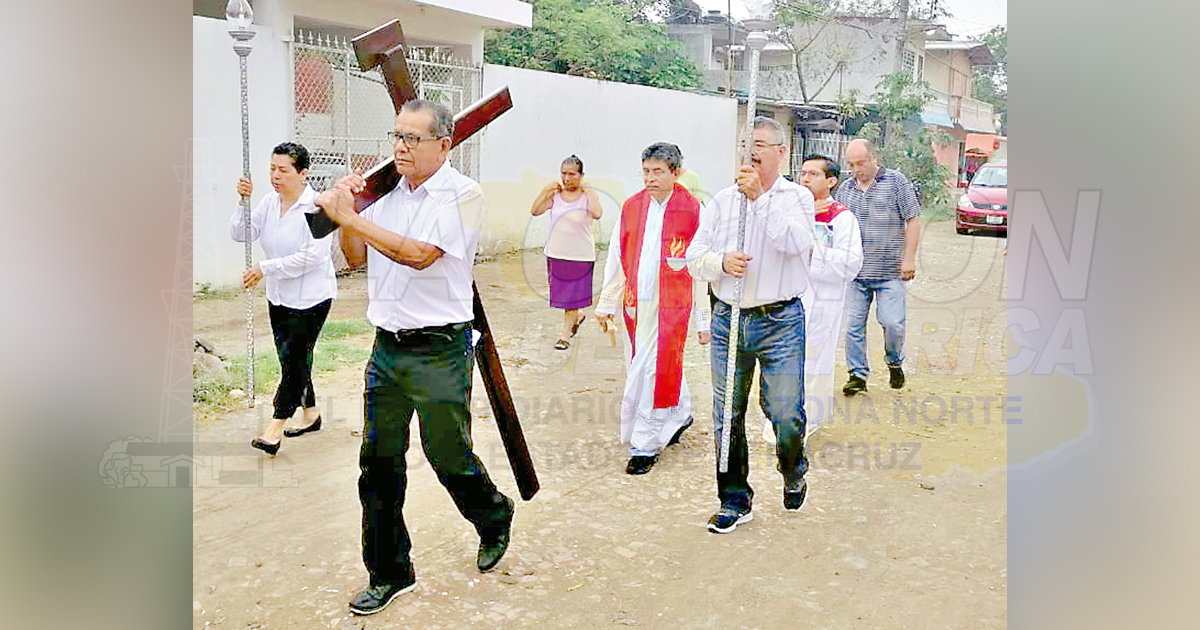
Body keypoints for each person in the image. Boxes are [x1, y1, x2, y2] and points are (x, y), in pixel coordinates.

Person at [315, 100, 514, 616]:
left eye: (413, 139)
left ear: (444, 144)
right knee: (377, 463)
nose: (400, 147)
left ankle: (492, 515)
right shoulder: (385, 192)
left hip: (440, 348)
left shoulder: (464, 195)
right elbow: (357, 259)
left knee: (448, 454)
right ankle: (389, 572)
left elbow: (420, 255)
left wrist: (350, 216)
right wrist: (349, 215)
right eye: (396, 136)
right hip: (387, 348)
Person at [686, 117, 816, 534]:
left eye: (759, 144)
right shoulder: (721, 201)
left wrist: (760, 201)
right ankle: (734, 499)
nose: (750, 151)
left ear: (782, 152)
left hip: (780, 320)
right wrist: (720, 263)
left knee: (784, 413)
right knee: (727, 414)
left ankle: (792, 465)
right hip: (730, 319)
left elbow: (796, 245)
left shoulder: (797, 198)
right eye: (745, 144)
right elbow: (694, 258)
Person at [595, 143, 710, 476]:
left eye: (658, 171)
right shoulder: (632, 207)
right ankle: (679, 413)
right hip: (635, 303)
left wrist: (703, 318)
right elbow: (617, 256)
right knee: (648, 364)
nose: (650, 178)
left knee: (651, 368)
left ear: (676, 172)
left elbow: (700, 266)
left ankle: (644, 444)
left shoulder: (693, 210)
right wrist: (608, 300)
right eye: (646, 171)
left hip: (672, 306)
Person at [230, 141, 336, 457]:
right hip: (279, 295)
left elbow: (313, 258)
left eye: (284, 170)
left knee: (294, 361)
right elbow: (241, 234)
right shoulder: (267, 202)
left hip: (313, 298)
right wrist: (243, 202)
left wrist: (265, 267)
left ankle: (274, 428)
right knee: (293, 359)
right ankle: (311, 414)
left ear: (303, 173)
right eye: (272, 169)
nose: (276, 176)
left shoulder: (321, 207)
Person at [763, 155, 863, 442]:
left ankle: (804, 420)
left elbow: (851, 263)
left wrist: (810, 251)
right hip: (783, 297)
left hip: (821, 300)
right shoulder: (789, 210)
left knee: (812, 360)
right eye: (803, 173)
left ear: (831, 181)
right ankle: (779, 418)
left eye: (813, 174)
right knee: (780, 360)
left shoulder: (842, 218)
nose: (804, 179)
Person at [834, 139, 922, 395]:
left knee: (892, 322)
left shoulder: (896, 182)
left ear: (874, 158)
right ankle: (857, 375)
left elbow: (913, 220)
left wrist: (909, 258)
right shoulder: (845, 190)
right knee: (852, 325)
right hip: (855, 273)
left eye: (861, 163)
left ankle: (894, 362)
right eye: (851, 164)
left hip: (890, 270)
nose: (856, 169)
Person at [530, 155, 603, 350]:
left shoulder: (587, 196)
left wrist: (590, 190)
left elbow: (597, 213)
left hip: (580, 255)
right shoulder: (555, 196)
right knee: (563, 297)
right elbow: (535, 211)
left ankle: (565, 335)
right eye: (564, 174)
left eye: (572, 174)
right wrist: (546, 190)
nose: (567, 178)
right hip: (556, 252)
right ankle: (576, 318)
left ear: (581, 175)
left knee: (572, 298)